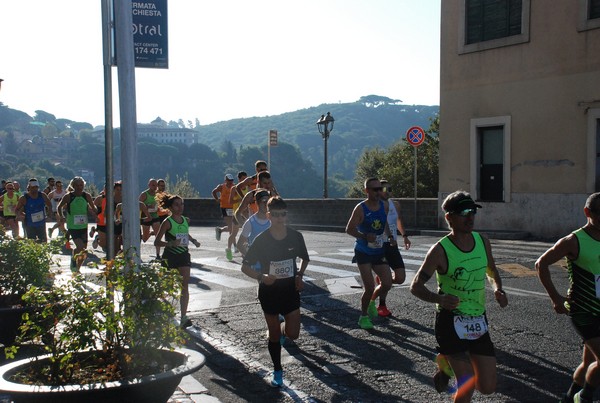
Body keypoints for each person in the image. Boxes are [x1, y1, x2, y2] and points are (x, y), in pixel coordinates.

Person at [410, 190, 508, 402]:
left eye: (472, 211)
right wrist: (440, 299)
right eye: (464, 212)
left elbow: (491, 270)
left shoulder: (482, 241)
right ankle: (451, 361)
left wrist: (497, 288)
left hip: (478, 319)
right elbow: (415, 286)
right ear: (449, 217)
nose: (470, 217)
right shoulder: (440, 250)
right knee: (467, 382)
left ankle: (446, 363)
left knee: (488, 387)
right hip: (450, 321)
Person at [536, 192, 600, 403]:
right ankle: (585, 397)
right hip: (584, 311)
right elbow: (541, 264)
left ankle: (569, 396)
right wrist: (555, 298)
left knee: (588, 361)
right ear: (587, 212)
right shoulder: (574, 240)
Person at [240, 196, 309, 388]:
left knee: (293, 334)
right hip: (269, 291)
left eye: (283, 215)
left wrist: (300, 275)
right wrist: (261, 277)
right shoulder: (261, 240)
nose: (280, 219)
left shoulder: (296, 236)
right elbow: (244, 267)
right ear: (269, 216)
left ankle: (282, 328)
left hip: (290, 291)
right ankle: (278, 369)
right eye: (276, 215)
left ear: (287, 215)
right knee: (274, 335)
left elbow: (304, 258)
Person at [345, 177, 394, 330]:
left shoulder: (384, 206)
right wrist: (364, 236)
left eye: (381, 189)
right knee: (369, 287)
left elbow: (384, 222)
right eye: (375, 189)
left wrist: (390, 235)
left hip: (378, 250)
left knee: (387, 283)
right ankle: (363, 316)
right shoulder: (360, 208)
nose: (379, 192)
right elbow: (349, 229)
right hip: (363, 251)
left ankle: (373, 301)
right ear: (366, 191)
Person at [154, 193, 201, 328]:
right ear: (170, 207)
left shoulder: (185, 220)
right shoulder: (167, 222)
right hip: (170, 256)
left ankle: (184, 317)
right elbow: (157, 242)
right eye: (176, 205)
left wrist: (193, 241)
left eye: (182, 204)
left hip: (183, 255)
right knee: (165, 287)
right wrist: (170, 244)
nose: (180, 207)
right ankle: (162, 312)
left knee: (184, 286)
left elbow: (185, 233)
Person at [371, 179, 412, 317]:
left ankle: (382, 282)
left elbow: (399, 220)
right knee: (386, 282)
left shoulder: (395, 205)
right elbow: (382, 224)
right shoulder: (376, 206)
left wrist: (404, 236)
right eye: (383, 189)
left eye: (389, 189)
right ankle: (375, 304)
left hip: (392, 245)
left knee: (400, 278)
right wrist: (388, 237)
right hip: (379, 245)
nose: (387, 192)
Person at [56, 176, 97, 272]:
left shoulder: (86, 196)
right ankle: (74, 260)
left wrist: (97, 212)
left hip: (83, 226)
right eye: (77, 185)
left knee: (84, 252)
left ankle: (77, 269)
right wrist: (61, 217)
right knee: (81, 248)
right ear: (73, 186)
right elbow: (59, 207)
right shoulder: (68, 196)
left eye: (81, 185)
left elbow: (92, 207)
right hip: (73, 226)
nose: (79, 187)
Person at [15, 178, 52, 243]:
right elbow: (17, 209)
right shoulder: (24, 198)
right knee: (32, 243)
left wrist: (49, 215)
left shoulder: (42, 195)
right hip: (29, 224)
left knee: (43, 242)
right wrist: (19, 215)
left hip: (41, 223)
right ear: (29, 188)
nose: (35, 189)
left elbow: (49, 205)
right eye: (33, 188)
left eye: (36, 187)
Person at [237, 188, 271, 257]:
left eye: (268, 201)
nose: (266, 204)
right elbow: (240, 245)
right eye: (264, 201)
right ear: (257, 203)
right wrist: (250, 258)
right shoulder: (250, 222)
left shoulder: (273, 220)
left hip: (271, 264)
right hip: (256, 266)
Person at [211, 173, 238, 261]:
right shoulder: (221, 186)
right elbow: (214, 191)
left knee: (233, 227)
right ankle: (235, 246)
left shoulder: (234, 187)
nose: (230, 182)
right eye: (229, 181)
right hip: (224, 207)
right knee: (231, 227)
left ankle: (220, 230)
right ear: (225, 180)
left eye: (232, 181)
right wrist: (217, 199)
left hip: (233, 207)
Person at [139, 178, 162, 258]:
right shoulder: (144, 194)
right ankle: (147, 234)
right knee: (145, 238)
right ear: (149, 185)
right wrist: (148, 206)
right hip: (146, 217)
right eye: (153, 185)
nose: (155, 187)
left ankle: (158, 254)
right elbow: (138, 205)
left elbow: (160, 205)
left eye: (156, 185)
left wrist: (159, 208)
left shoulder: (158, 194)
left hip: (155, 217)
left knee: (158, 235)